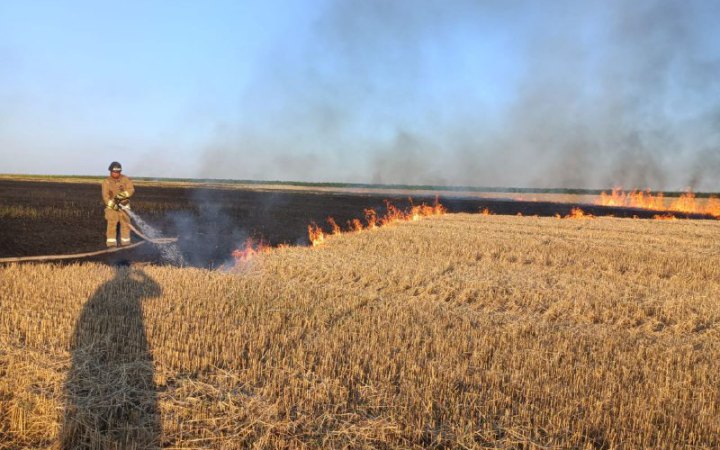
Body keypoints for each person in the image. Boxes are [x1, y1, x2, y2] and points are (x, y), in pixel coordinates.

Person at [102, 161, 135, 247]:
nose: (116, 174)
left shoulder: (125, 179)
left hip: (124, 206)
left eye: (118, 172)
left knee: (126, 224)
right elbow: (105, 197)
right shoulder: (106, 182)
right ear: (110, 171)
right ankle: (111, 244)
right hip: (112, 207)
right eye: (114, 172)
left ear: (120, 171)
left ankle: (126, 243)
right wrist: (114, 205)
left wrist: (120, 196)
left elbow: (131, 190)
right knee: (112, 224)